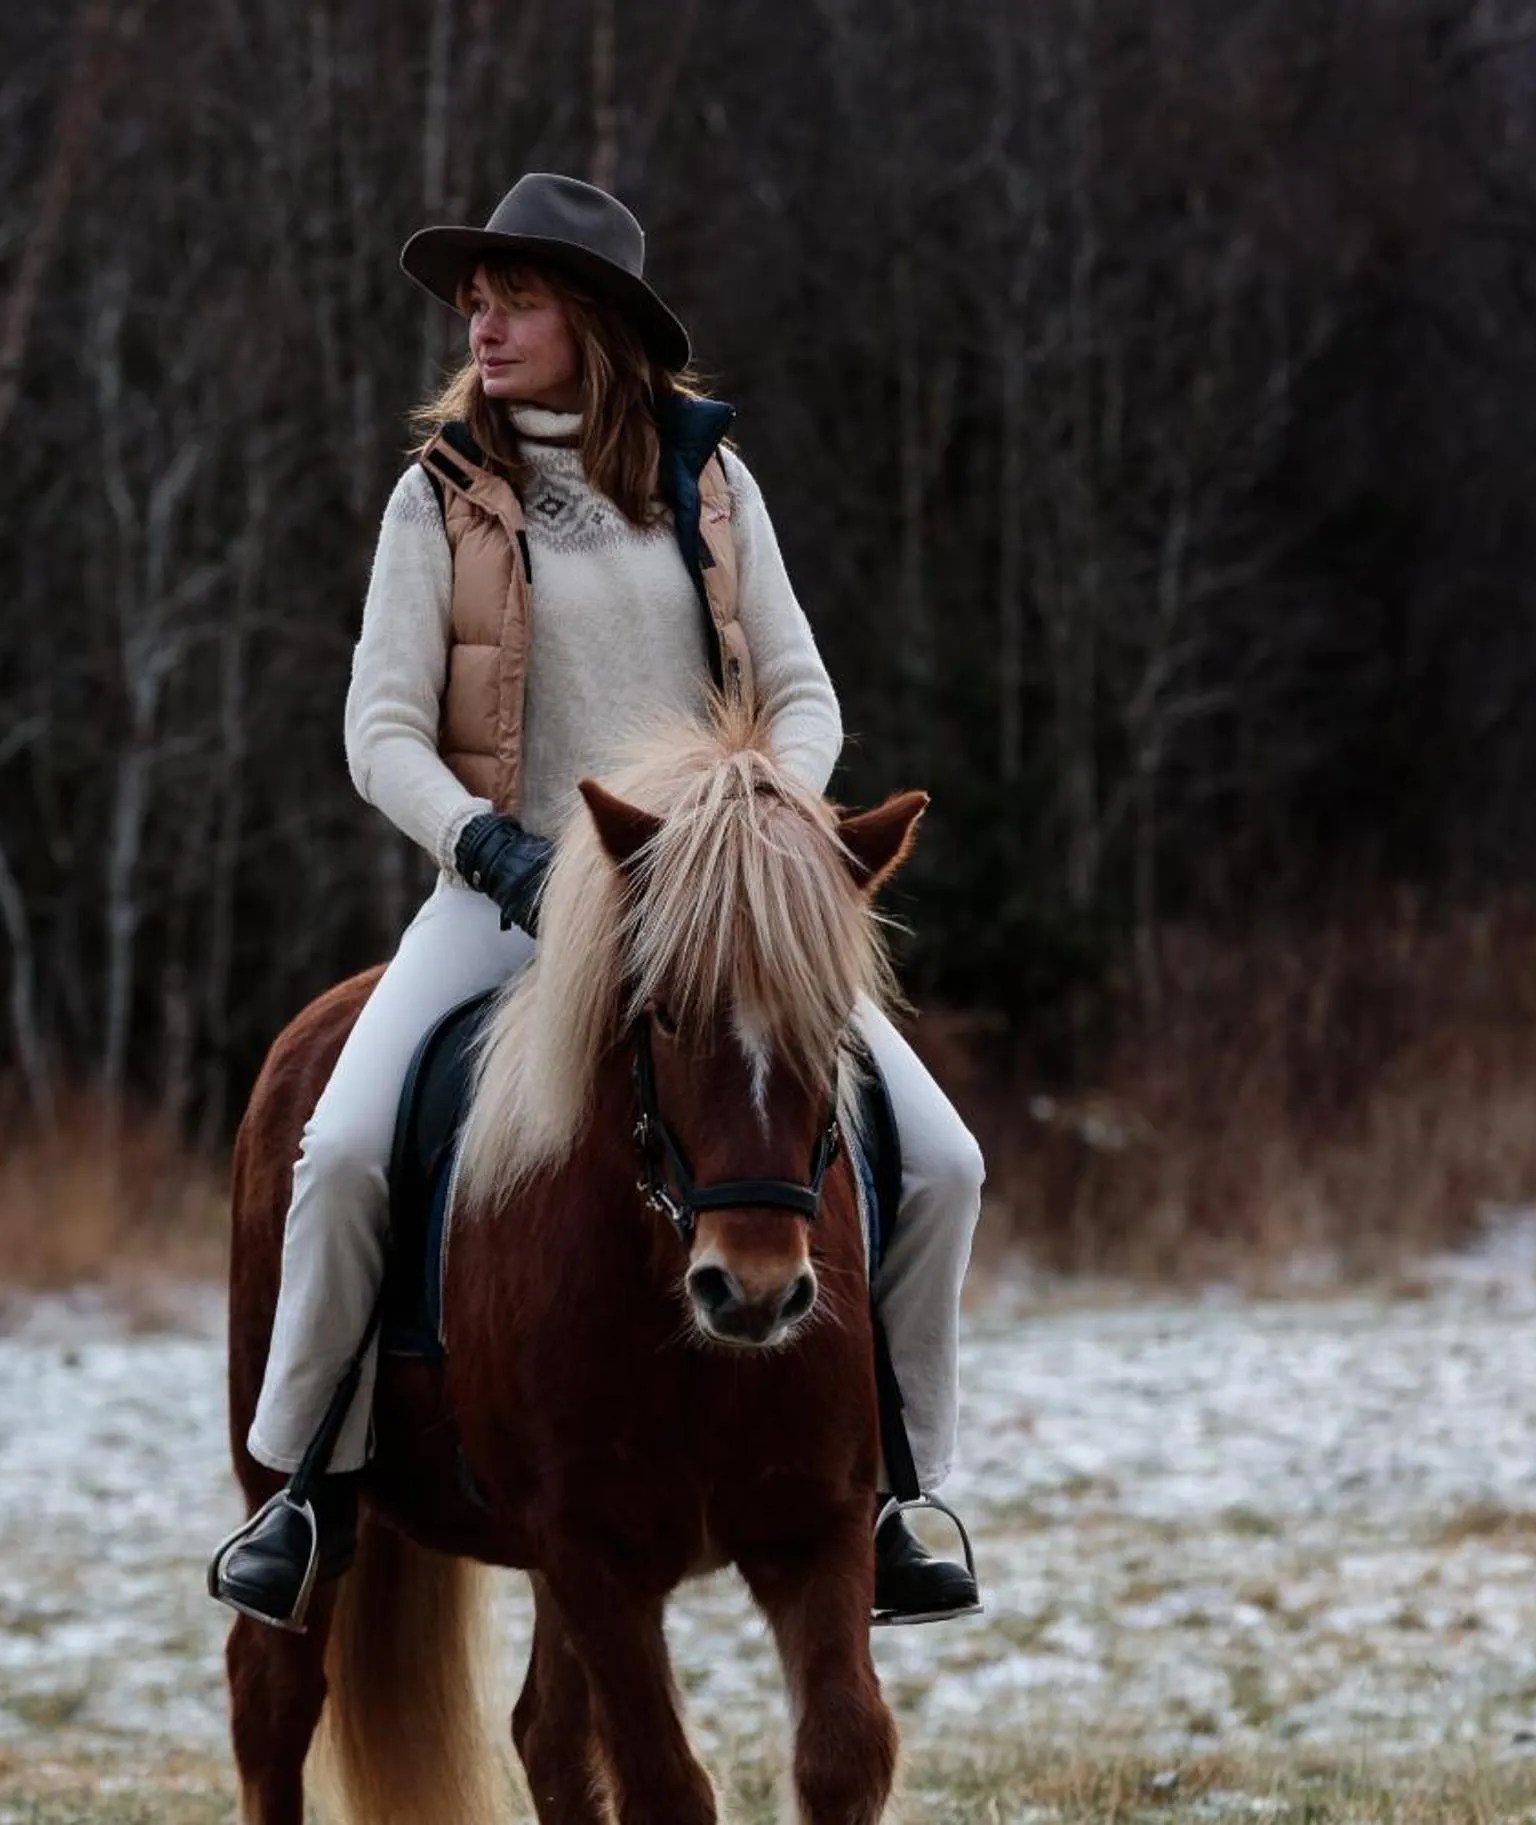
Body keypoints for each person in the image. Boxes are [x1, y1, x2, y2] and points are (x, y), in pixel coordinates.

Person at [215, 172, 987, 1631]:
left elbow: (804, 691)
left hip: (701, 902)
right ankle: (307, 1491)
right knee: (342, 1150)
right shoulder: (438, 492)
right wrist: (489, 848)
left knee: (943, 1163)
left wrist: (761, 822)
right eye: (476, 304)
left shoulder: (712, 483)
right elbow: (377, 731)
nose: (483, 326)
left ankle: (894, 1495)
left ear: (595, 320)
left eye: (515, 300)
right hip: (503, 897)